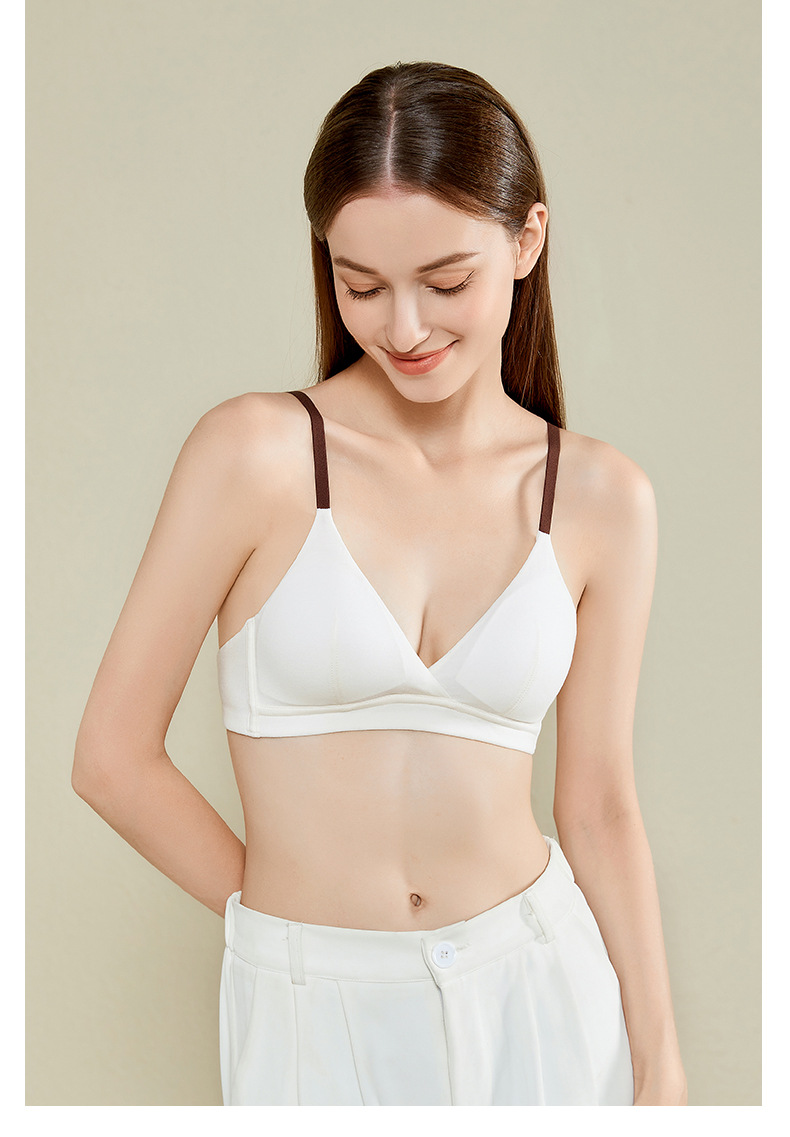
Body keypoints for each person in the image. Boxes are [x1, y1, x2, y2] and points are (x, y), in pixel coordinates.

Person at [72, 60, 687, 1107]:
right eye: (361, 286)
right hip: (309, 1007)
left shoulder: (602, 498)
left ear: (526, 242)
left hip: (539, 989)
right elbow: (111, 759)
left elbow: (597, 806)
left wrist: (660, 1060)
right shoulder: (254, 456)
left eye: (446, 283)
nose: (403, 328)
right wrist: (286, 934)